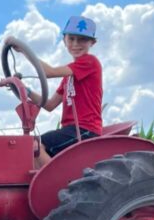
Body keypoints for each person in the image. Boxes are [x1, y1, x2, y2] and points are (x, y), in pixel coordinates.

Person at [24, 15, 103, 165]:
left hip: (85, 129)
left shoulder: (90, 62)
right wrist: (25, 90)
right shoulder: (69, 76)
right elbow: (49, 105)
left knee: (34, 146)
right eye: (71, 39)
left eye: (82, 40)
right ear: (64, 40)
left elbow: (49, 72)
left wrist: (25, 51)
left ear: (92, 42)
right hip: (71, 130)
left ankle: (55, 185)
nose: (75, 44)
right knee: (31, 149)